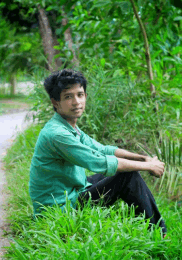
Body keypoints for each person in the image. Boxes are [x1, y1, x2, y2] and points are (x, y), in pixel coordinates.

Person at [29, 69, 167, 236]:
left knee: (128, 171)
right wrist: (149, 166)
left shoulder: (69, 126)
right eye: (68, 97)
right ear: (55, 102)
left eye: (80, 94)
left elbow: (102, 149)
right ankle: (160, 234)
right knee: (127, 175)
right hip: (59, 207)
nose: (76, 102)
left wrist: (143, 158)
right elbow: (100, 163)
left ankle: (155, 230)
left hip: (71, 191)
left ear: (85, 96)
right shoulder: (58, 134)